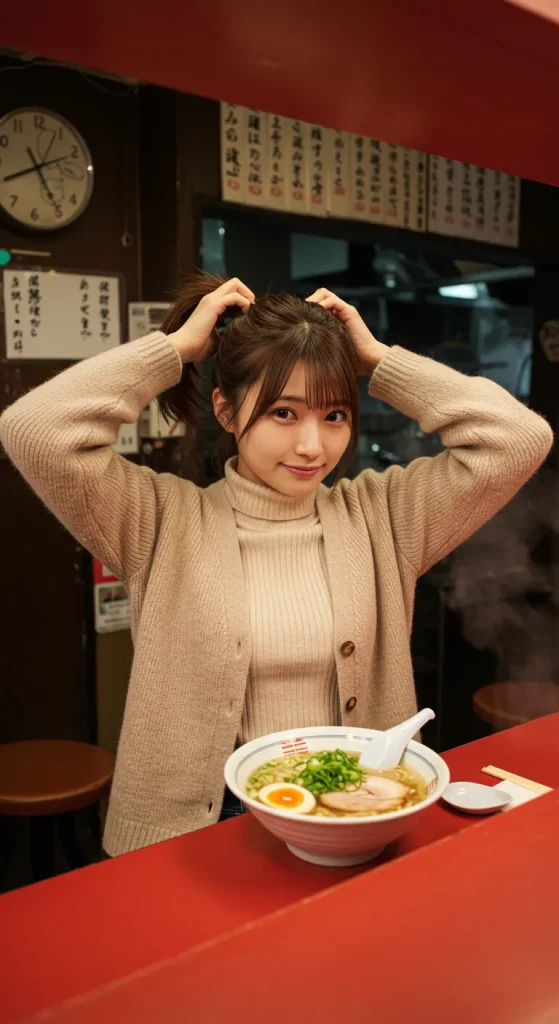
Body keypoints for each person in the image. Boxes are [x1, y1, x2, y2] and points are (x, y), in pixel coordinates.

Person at [0, 274, 552, 855]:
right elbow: (36, 431)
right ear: (227, 411)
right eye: (284, 413)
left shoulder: (384, 517)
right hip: (202, 825)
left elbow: (516, 439)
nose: (312, 445)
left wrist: (377, 361)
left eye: (334, 415)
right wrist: (177, 350)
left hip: (357, 808)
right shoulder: (158, 521)